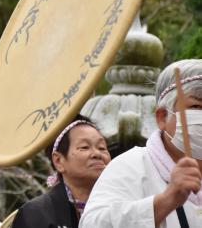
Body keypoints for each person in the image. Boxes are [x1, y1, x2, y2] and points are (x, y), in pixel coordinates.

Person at [80, 59, 202, 227]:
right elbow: (91, 224)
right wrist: (167, 199)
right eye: (196, 107)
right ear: (162, 117)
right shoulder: (131, 166)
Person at [12, 115, 110, 228]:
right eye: (84, 147)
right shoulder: (35, 214)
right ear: (58, 161)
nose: (97, 154)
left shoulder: (121, 206)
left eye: (102, 148)